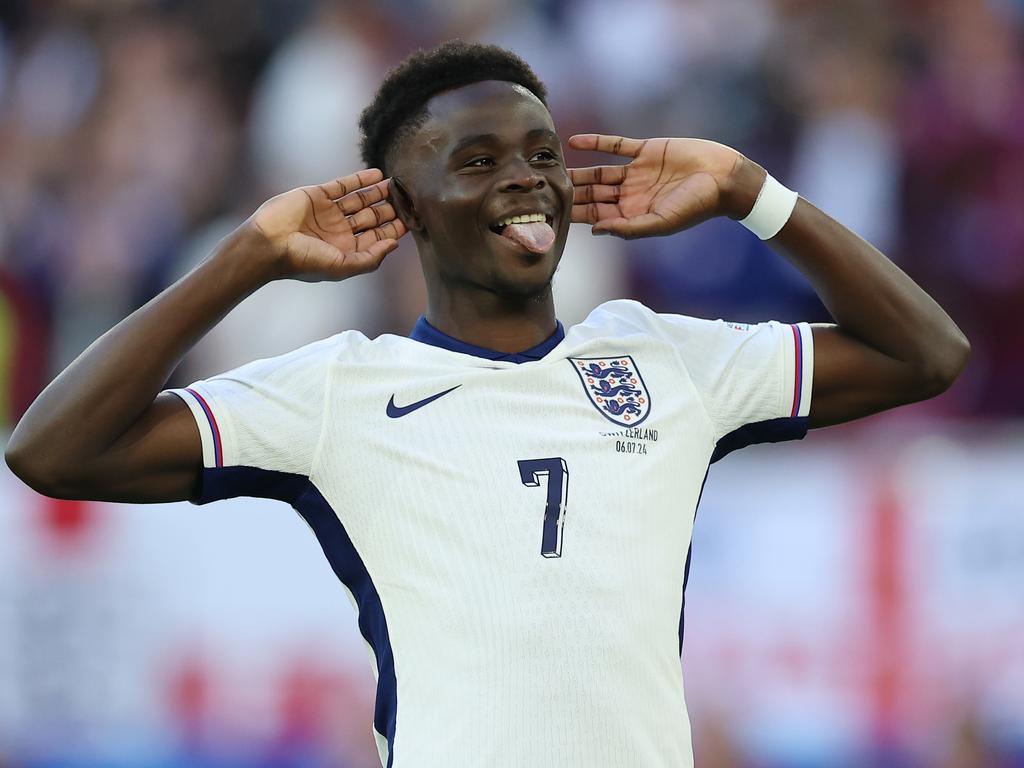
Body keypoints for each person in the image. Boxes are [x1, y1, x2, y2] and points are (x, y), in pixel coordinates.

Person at [5, 41, 969, 767]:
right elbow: (52, 450)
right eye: (475, 160)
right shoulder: (338, 392)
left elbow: (927, 353)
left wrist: (749, 193)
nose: (524, 178)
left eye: (541, 152)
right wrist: (247, 257)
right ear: (405, 205)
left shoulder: (663, 358)